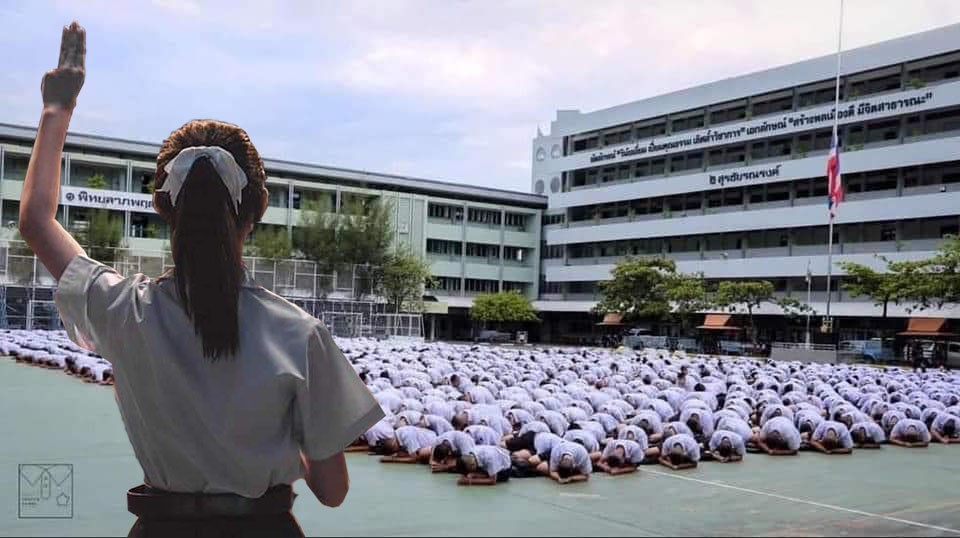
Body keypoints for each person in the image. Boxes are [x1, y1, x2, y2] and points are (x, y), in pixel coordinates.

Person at [28, 22, 385, 538]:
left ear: (163, 207)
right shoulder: (299, 334)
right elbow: (332, 491)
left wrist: (56, 108)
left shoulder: (125, 311)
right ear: (257, 210)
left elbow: (37, 221)